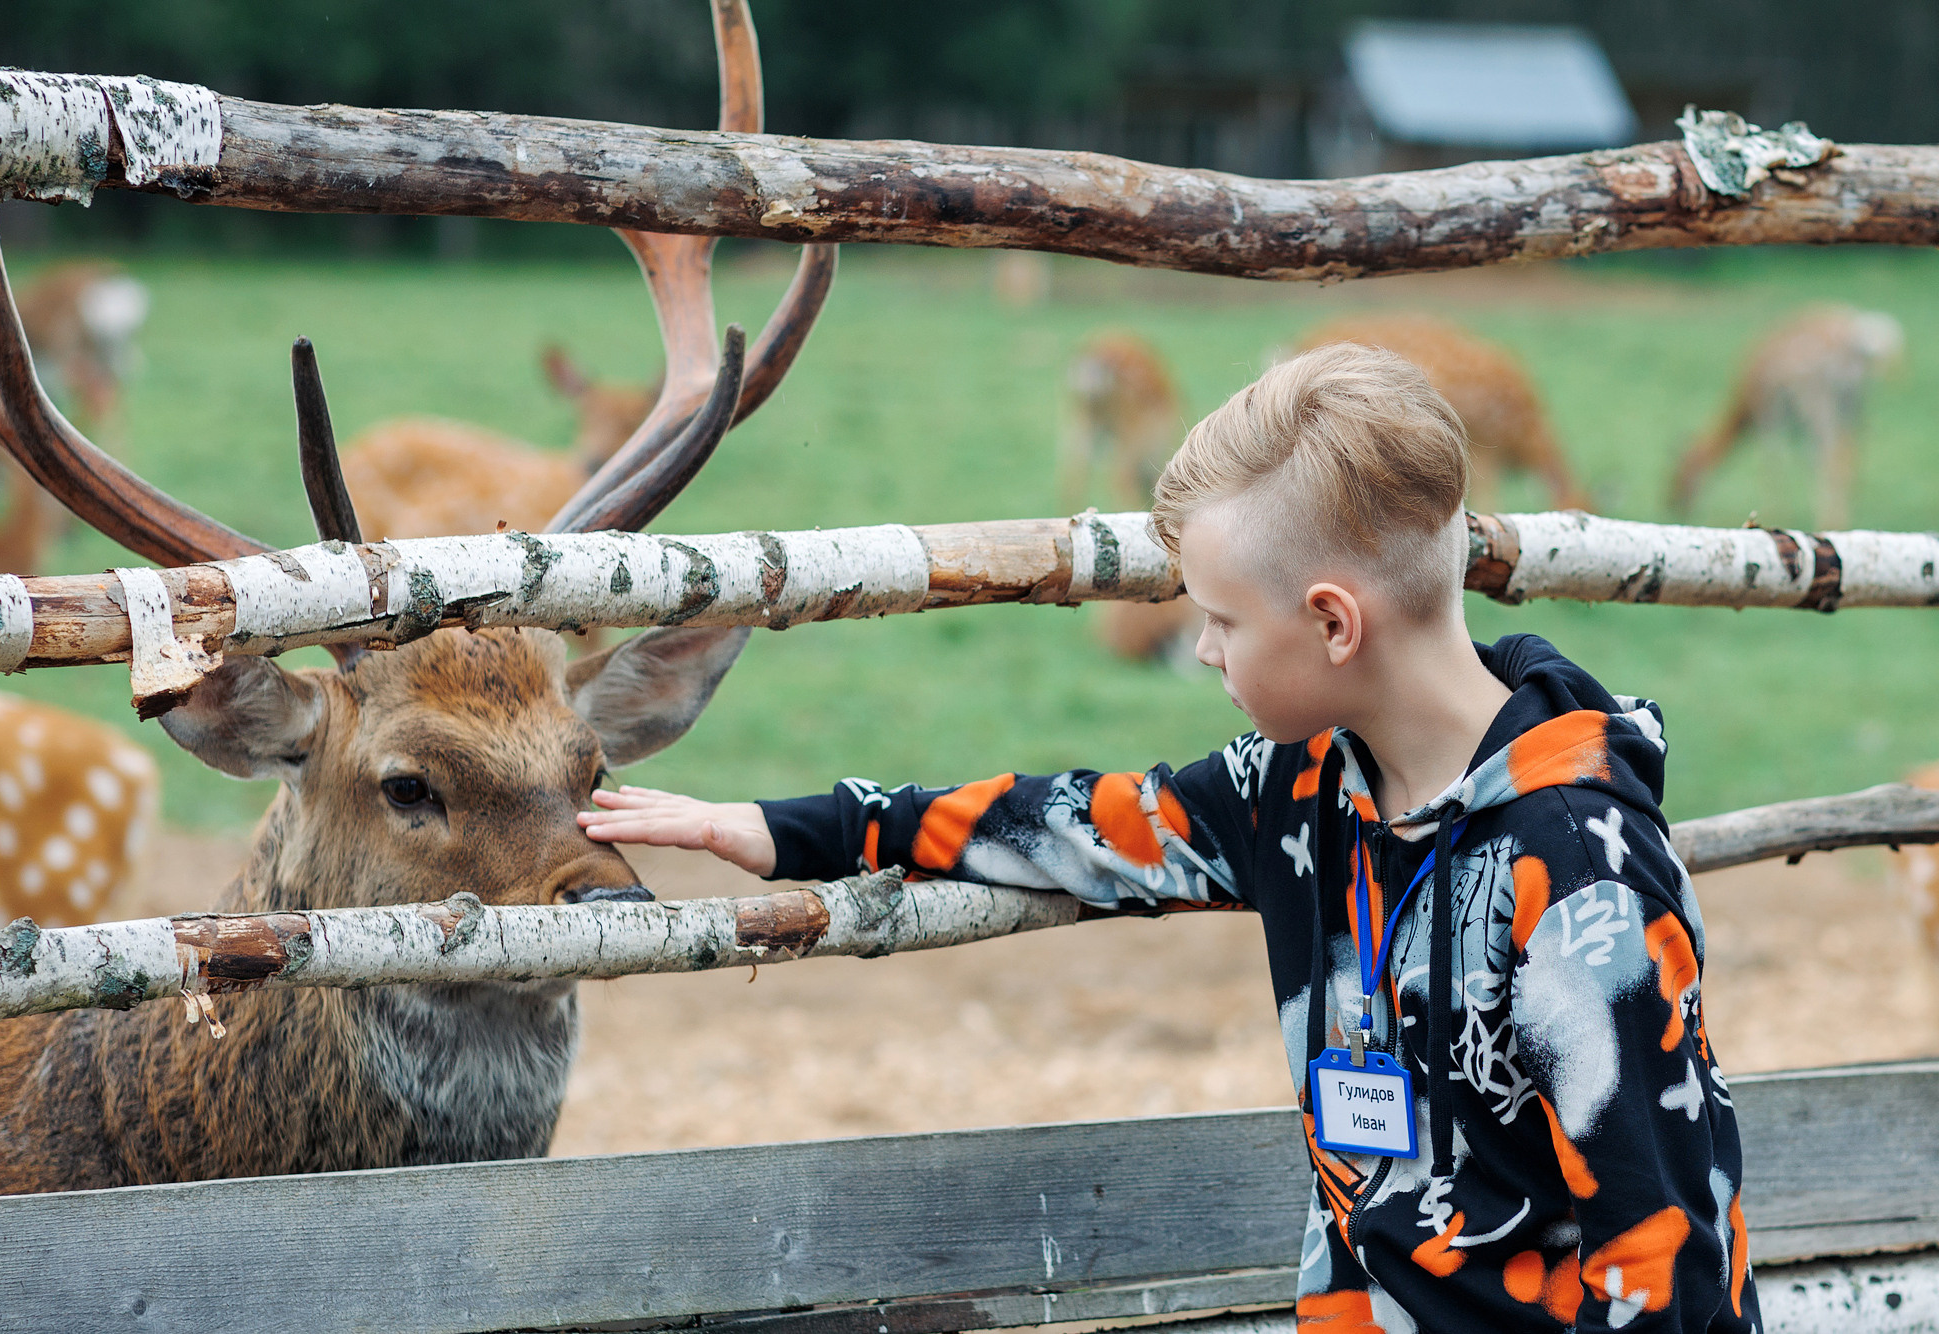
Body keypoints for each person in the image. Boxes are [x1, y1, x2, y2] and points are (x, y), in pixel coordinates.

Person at [577, 343, 1759, 1332]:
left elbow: (1667, 1252)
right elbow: (1070, 823)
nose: (1201, 651)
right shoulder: (1295, 792)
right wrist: (792, 830)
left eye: (1218, 619)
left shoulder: (1578, 868)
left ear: (1331, 623)